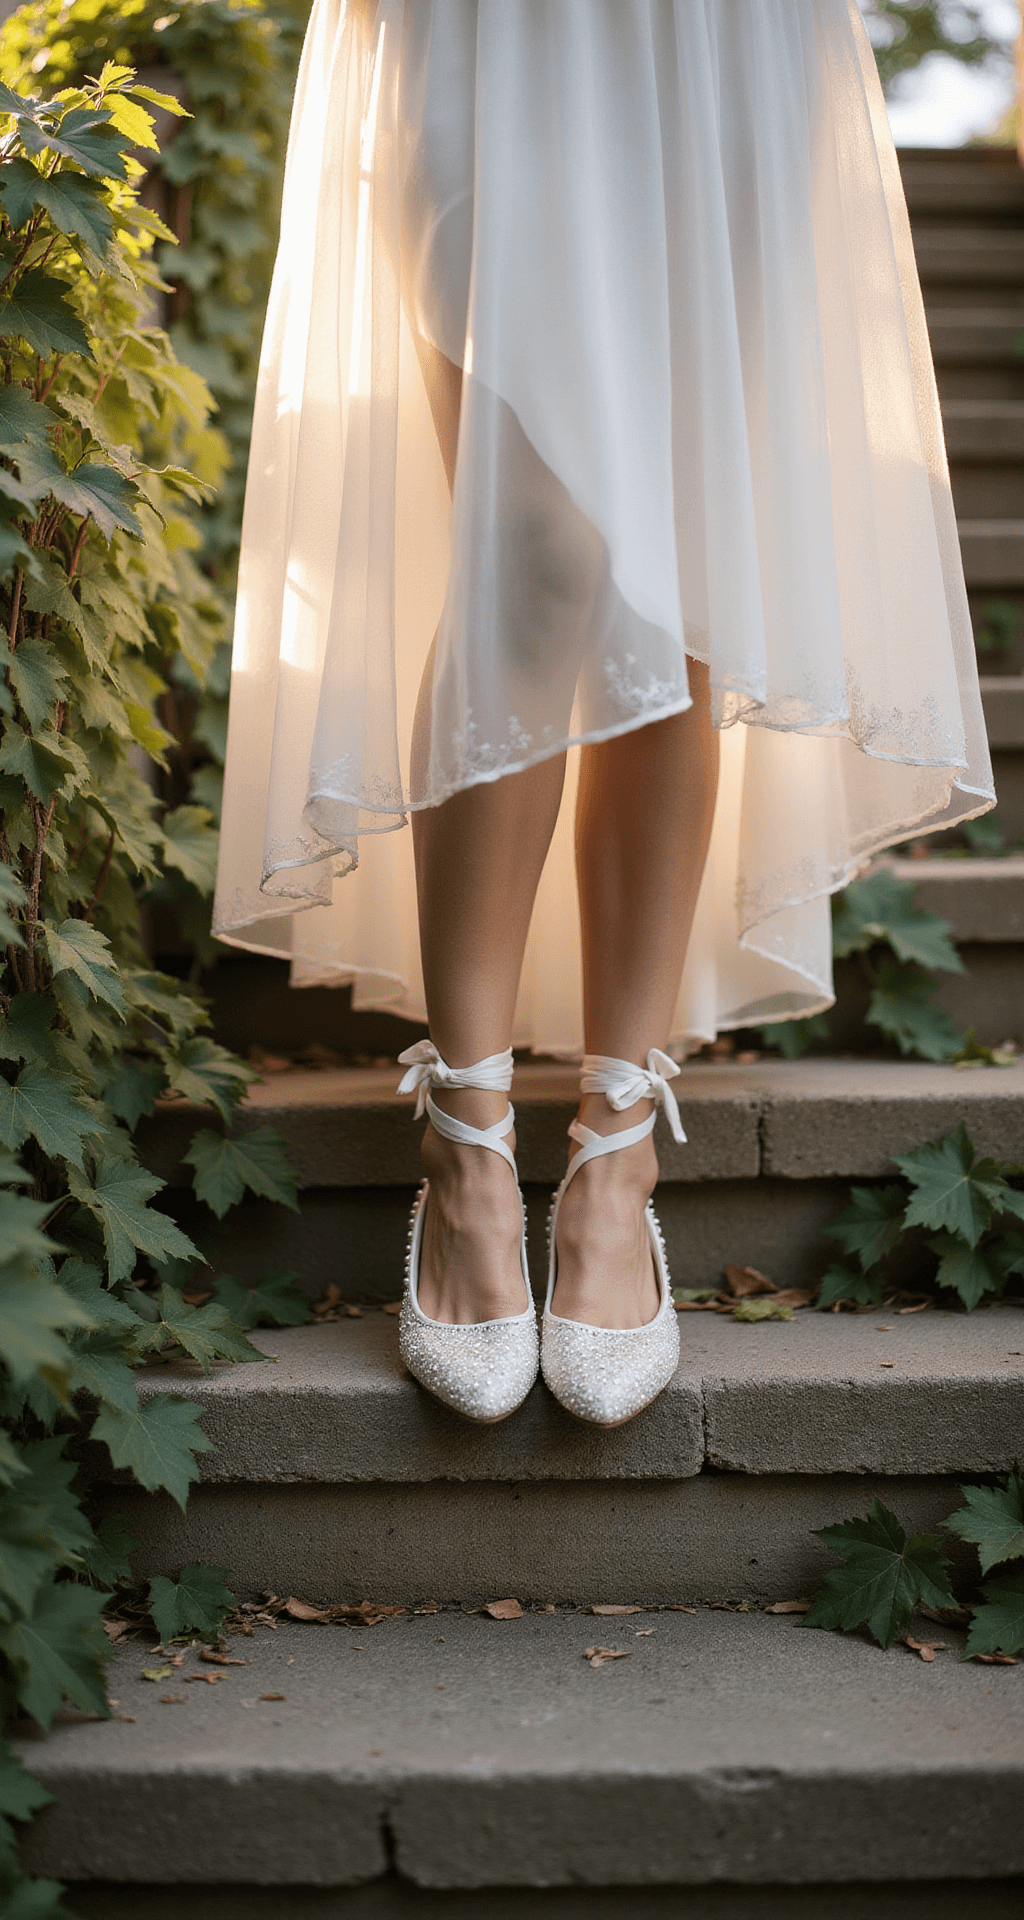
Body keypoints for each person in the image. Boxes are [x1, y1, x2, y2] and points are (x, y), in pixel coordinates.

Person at [213, 0, 995, 1428]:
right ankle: (466, 1145)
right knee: (538, 547)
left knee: (683, 555)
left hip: (719, 36)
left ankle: (620, 1148)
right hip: (490, 28)